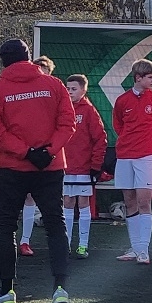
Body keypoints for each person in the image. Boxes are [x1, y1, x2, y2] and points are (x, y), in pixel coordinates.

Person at [0, 38, 76, 303]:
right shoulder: (54, 84)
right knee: (55, 224)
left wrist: (25, 152)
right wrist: (48, 151)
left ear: (3, 60)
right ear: (28, 56)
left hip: (13, 167)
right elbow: (68, 123)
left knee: (5, 226)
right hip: (51, 166)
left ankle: (7, 291)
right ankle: (60, 289)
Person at [111, 58, 152, 265]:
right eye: (150, 77)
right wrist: (129, 141)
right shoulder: (122, 100)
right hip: (124, 155)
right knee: (129, 201)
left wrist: (150, 142)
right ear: (138, 78)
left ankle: (144, 250)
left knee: (144, 202)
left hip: (145, 157)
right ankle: (135, 247)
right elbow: (118, 125)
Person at [63, 74, 107, 258]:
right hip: (66, 167)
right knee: (67, 202)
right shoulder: (63, 108)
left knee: (83, 204)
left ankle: (83, 245)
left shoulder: (89, 110)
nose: (70, 92)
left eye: (74, 89)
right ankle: (65, 244)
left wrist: (95, 165)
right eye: (68, 88)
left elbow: (100, 139)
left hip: (83, 167)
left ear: (83, 90)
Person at [18, 54, 58, 255]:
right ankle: (24, 241)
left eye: (45, 72)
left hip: (50, 154)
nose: (41, 75)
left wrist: (51, 149)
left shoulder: (56, 92)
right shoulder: (24, 94)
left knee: (52, 199)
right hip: (28, 153)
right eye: (38, 71)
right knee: (27, 196)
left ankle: (59, 243)